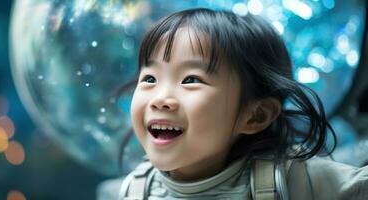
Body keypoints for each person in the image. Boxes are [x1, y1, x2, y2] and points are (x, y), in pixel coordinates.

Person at [118, 8, 368, 200]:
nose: (161, 99)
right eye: (150, 78)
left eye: (190, 79)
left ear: (256, 116)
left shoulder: (292, 179)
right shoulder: (136, 189)